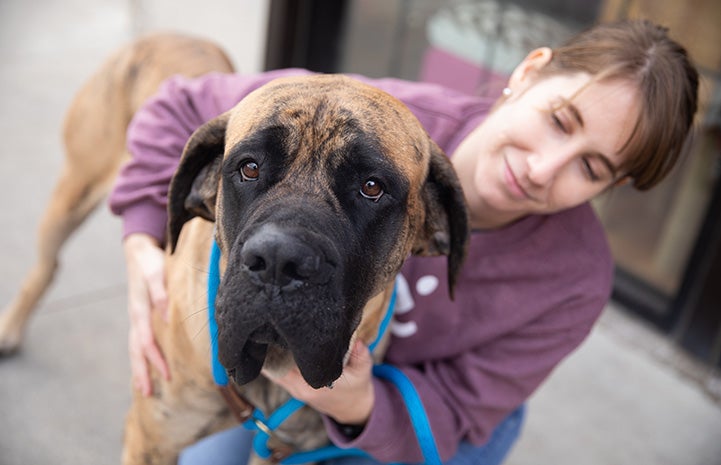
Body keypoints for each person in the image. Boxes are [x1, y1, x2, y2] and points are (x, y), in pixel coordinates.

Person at [109, 19, 698, 464]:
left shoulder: (573, 278)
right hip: (273, 374)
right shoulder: (359, 115)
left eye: (591, 168)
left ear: (430, 229)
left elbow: (460, 410)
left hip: (409, 406)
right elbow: (176, 106)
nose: (544, 168)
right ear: (528, 73)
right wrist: (142, 242)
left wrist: (358, 404)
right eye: (560, 120)